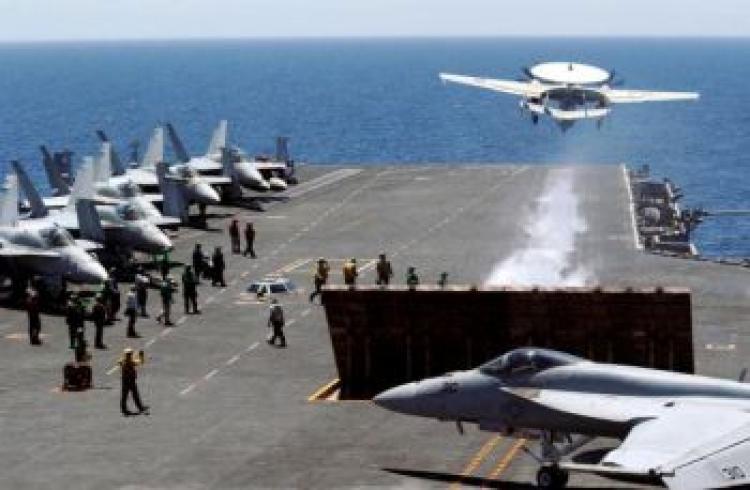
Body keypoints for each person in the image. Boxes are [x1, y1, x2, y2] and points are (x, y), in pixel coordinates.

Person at [119, 348, 148, 416]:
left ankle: (126, 409)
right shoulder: (129, 362)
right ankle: (127, 409)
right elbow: (140, 362)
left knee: (130, 395)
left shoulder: (125, 361)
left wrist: (141, 356)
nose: (130, 355)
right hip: (128, 381)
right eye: (129, 354)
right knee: (128, 395)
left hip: (128, 380)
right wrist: (141, 356)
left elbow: (140, 362)